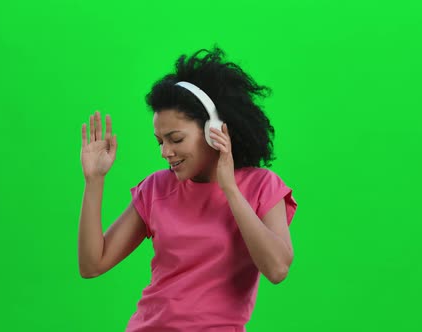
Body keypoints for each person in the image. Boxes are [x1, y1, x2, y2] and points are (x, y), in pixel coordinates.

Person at [78, 47, 298, 332]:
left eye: (176, 139)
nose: (165, 152)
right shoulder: (156, 188)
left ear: (213, 130)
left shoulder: (262, 186)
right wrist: (94, 181)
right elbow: (92, 264)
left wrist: (229, 188)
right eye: (160, 141)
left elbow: (278, 269)